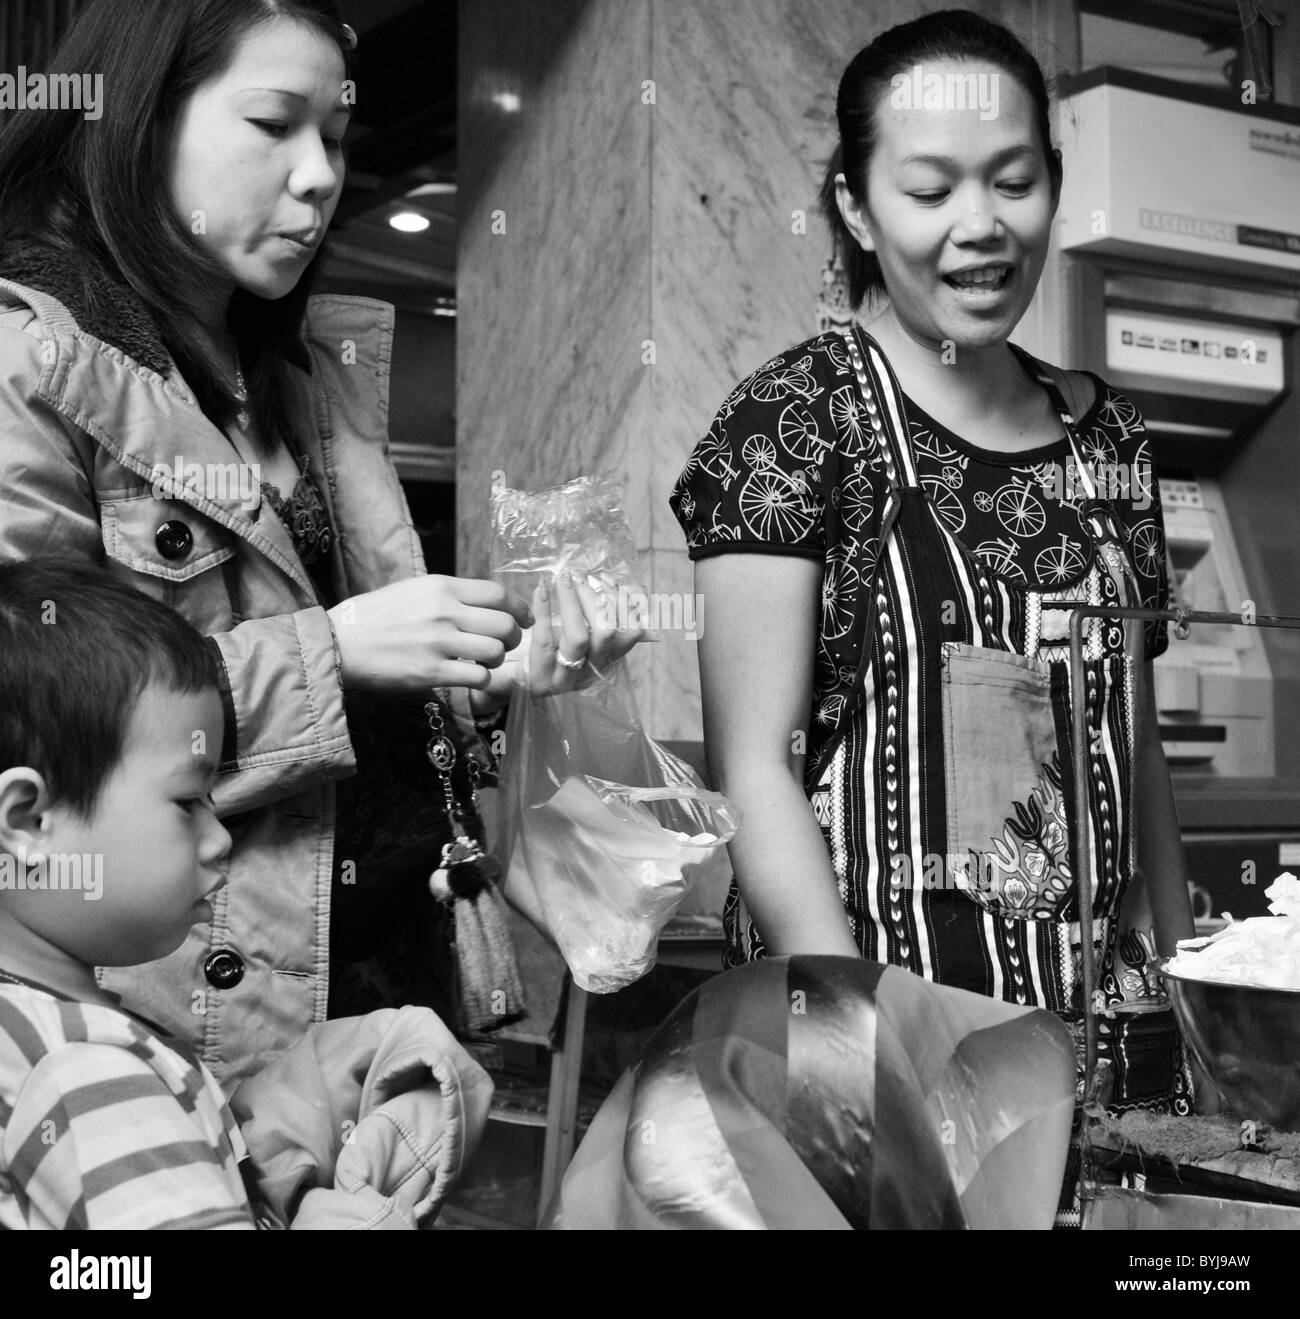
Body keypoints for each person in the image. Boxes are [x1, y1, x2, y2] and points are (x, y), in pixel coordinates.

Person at [0, 0, 636, 1088]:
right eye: (272, 124)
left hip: (385, 975)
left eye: (335, 137)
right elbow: (34, 724)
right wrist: (334, 651)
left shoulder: (311, 376)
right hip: (183, 1014)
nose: (318, 175)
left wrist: (485, 674)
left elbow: (364, 703)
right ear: (139, 119)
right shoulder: (32, 362)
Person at [670, 8, 1209, 1152]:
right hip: (887, 1040)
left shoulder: (1106, 433)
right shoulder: (792, 421)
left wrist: (1188, 989)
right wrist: (863, 1050)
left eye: (1013, 181)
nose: (981, 224)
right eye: (929, 190)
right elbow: (753, 769)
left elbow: (1138, 744)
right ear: (858, 208)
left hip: (1113, 1050)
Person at [0, 559, 494, 1229]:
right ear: (28, 820)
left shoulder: (32, 1032)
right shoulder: (88, 1075)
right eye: (188, 801)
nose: (217, 838)